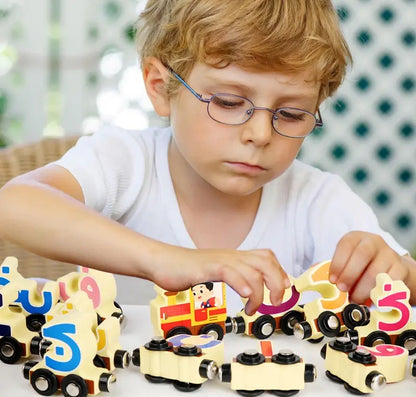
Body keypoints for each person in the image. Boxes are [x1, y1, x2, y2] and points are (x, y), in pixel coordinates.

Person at [0, 0, 414, 315]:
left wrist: (396, 274)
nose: (260, 134)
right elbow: (15, 204)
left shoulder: (317, 198)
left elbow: (405, 280)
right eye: (230, 102)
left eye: (290, 113)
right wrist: (167, 261)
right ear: (162, 88)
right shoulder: (125, 162)